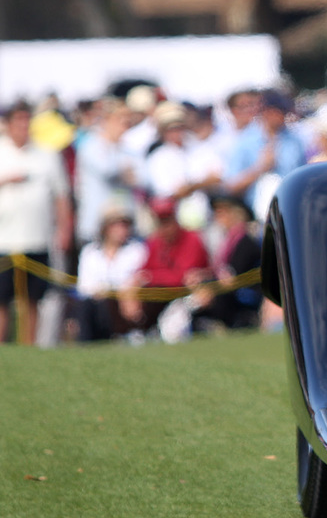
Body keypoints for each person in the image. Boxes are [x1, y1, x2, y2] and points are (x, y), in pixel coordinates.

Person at [0, 101, 72, 345]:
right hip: (5, 240)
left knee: (34, 299)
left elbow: (61, 196)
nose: (23, 126)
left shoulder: (47, 155)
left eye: (26, 120)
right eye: (17, 121)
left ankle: (29, 347)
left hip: (38, 237)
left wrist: (64, 229)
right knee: (2, 300)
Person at [119, 197, 210, 338]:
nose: (164, 226)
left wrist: (152, 277)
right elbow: (143, 272)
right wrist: (132, 289)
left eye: (167, 220)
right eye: (160, 221)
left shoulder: (192, 239)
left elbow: (183, 278)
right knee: (129, 290)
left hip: (187, 296)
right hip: (161, 296)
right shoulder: (155, 242)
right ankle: (135, 331)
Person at [223, 90, 306, 217]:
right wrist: (260, 168)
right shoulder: (245, 141)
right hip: (255, 218)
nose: (283, 116)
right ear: (266, 111)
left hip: (289, 212)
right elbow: (231, 186)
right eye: (278, 111)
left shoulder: (295, 141)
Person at [188, 194, 263, 331]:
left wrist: (210, 286)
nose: (218, 216)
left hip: (243, 295)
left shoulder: (245, 239)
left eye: (222, 212)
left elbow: (235, 274)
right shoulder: (228, 240)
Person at [73, 98, 139, 247]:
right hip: (96, 228)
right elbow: (107, 170)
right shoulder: (90, 144)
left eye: (128, 121)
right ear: (107, 119)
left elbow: (141, 177)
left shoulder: (126, 146)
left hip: (123, 227)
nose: (125, 126)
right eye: (121, 120)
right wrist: (124, 167)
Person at [74, 208, 147, 342]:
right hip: (97, 303)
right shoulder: (90, 252)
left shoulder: (136, 250)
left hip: (125, 302)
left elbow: (141, 277)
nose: (122, 230)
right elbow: (83, 286)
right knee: (87, 306)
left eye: (125, 225)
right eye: (117, 225)